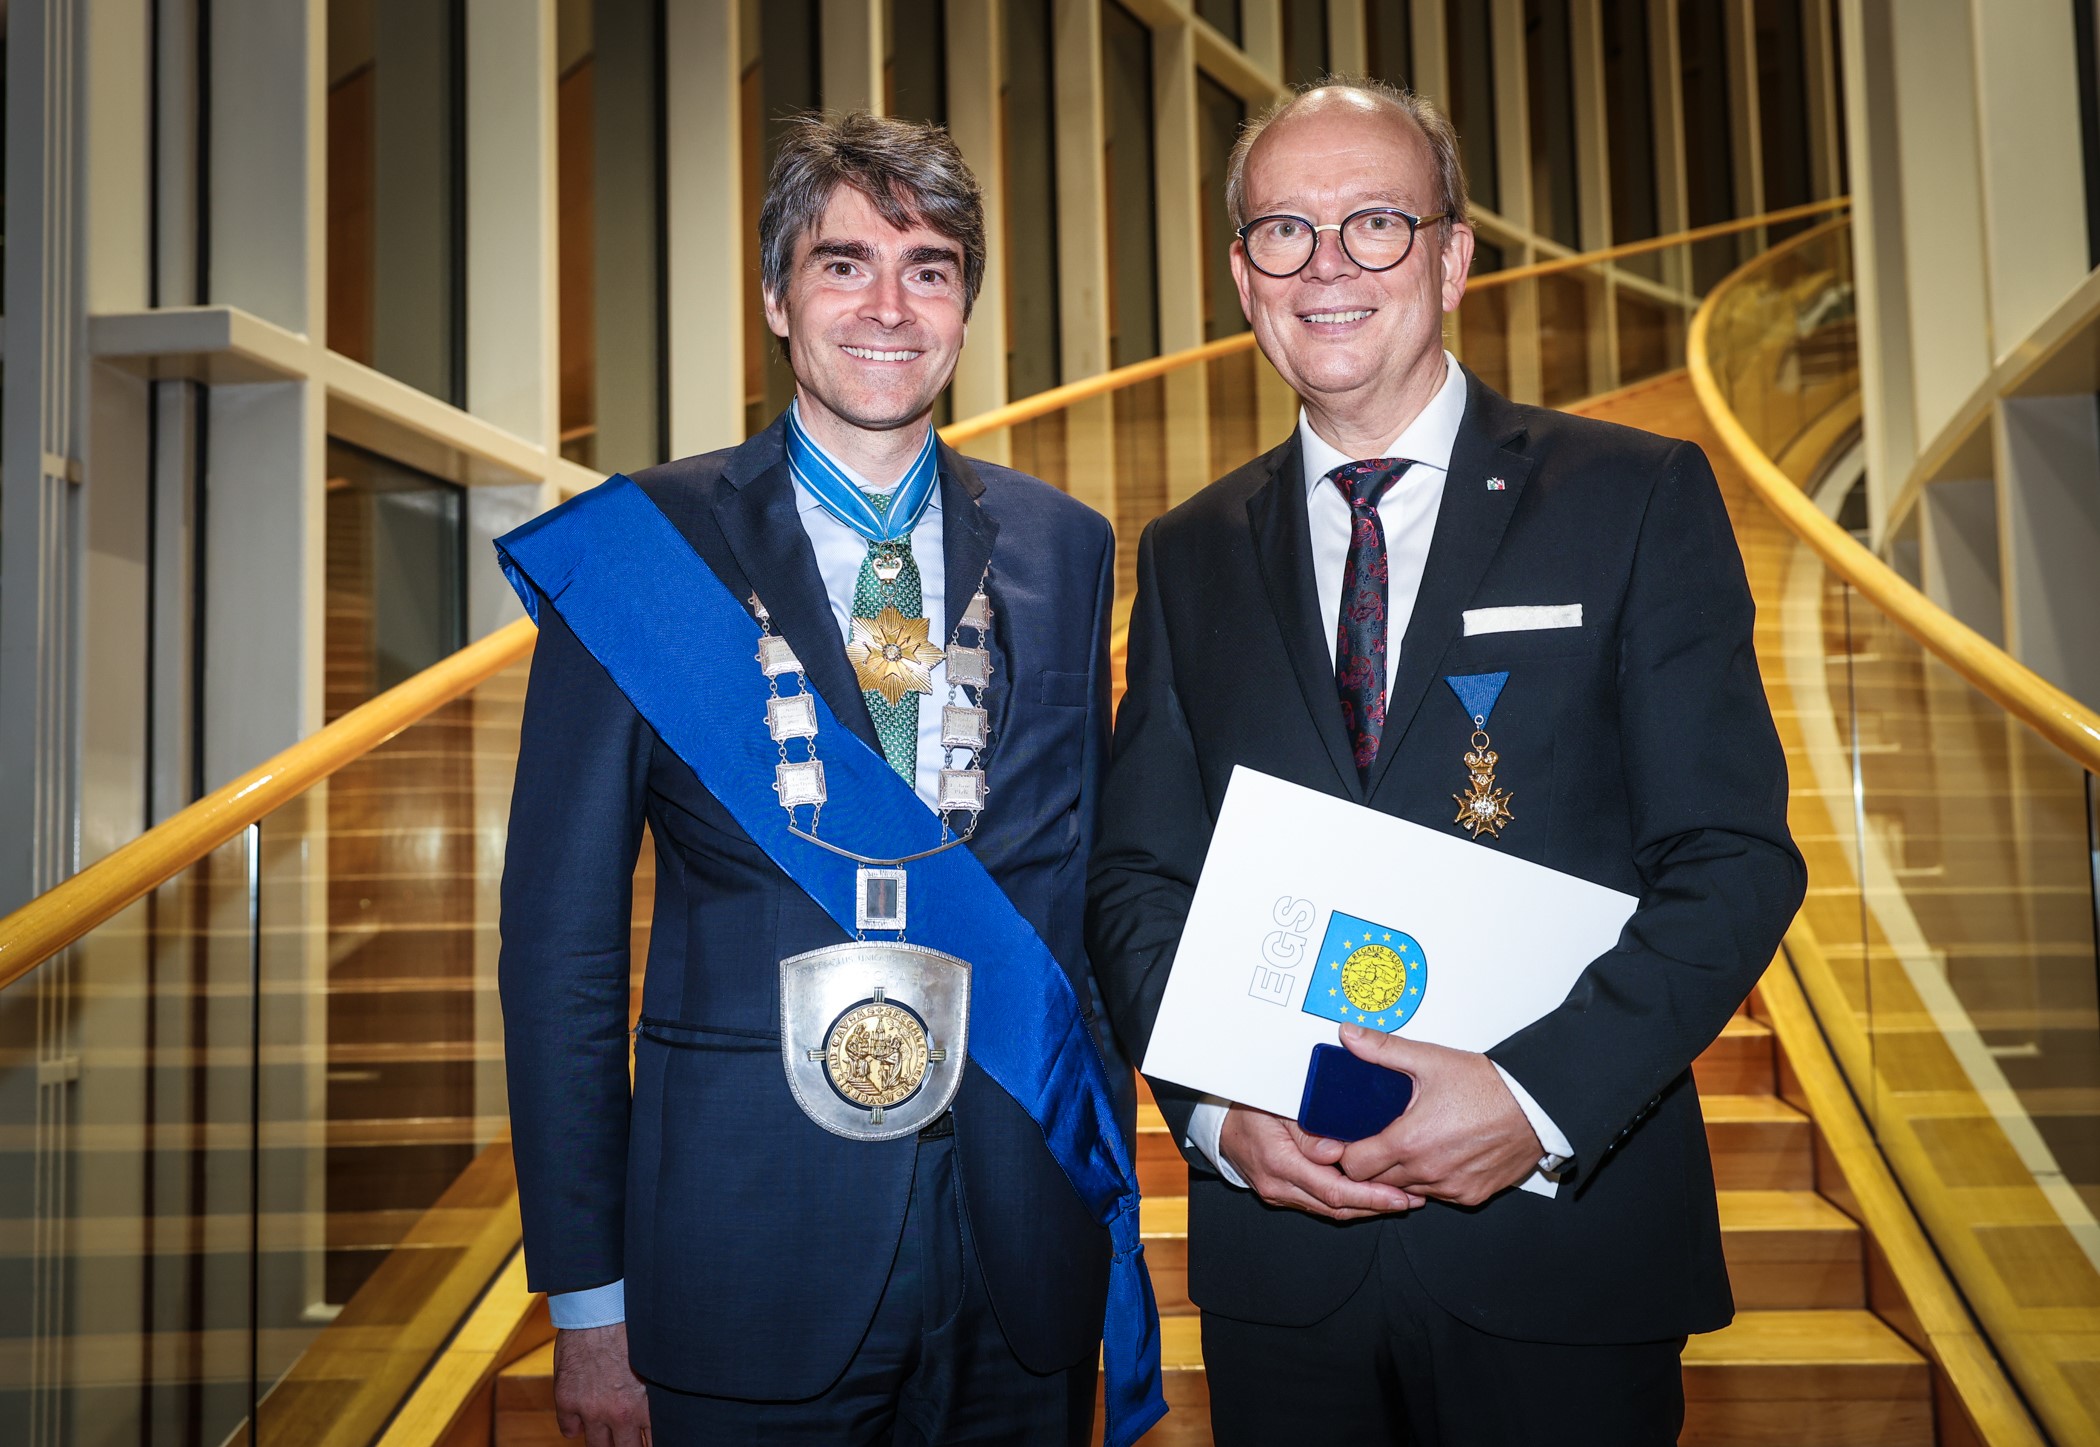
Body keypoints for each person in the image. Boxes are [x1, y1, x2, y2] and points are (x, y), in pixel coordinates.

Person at [1087, 79, 1805, 1446]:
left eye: (1376, 224)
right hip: (1282, 1270)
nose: (1329, 268)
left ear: (1455, 256)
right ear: (1244, 277)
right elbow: (1135, 879)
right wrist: (1217, 1111)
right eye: (1286, 233)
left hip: (1564, 1256)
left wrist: (1536, 1100)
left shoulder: (1633, 498)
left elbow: (1729, 860)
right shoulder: (1186, 555)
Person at [497, 112, 1160, 1447]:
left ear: (966, 308)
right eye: (843, 263)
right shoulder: (645, 552)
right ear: (774, 301)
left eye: (930, 268)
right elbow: (558, 947)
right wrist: (586, 1300)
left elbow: (1082, 892)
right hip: (742, 1246)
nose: (889, 306)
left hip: (1023, 1238)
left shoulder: (1066, 547)